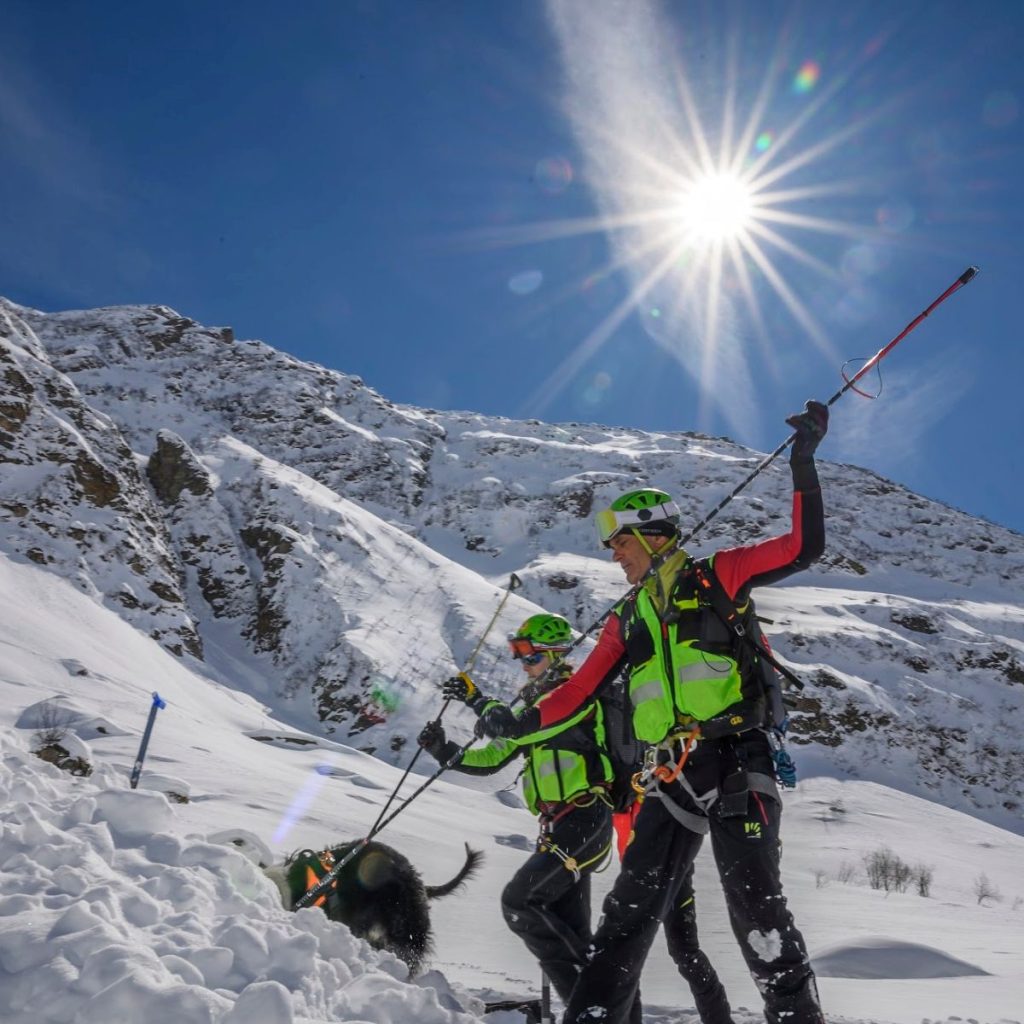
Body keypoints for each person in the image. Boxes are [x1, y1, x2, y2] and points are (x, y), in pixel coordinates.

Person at [478, 401, 829, 1024]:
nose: (615, 554)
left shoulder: (719, 574)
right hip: (670, 775)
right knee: (627, 917)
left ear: (652, 535)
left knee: (757, 912)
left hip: (736, 760)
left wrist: (802, 464)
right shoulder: (627, 616)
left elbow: (803, 547)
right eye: (612, 546)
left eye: (621, 543)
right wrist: (521, 723)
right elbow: (579, 690)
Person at [416, 613, 615, 1009]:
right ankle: (602, 1011)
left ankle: (589, 1010)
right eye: (518, 655)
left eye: (530, 655)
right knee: (574, 934)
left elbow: (512, 729)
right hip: (560, 825)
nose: (523, 664)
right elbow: (492, 758)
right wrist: (443, 750)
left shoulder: (572, 696)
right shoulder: (535, 706)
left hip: (585, 818)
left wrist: (474, 697)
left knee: (520, 903)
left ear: (557, 655)